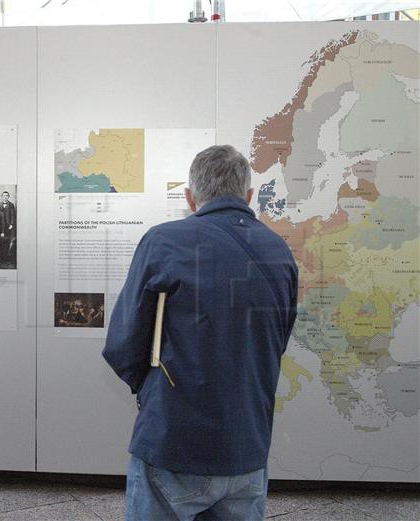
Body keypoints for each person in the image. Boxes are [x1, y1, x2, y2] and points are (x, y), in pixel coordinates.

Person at [102, 145, 298, 521]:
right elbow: (277, 341)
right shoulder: (279, 251)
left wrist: (153, 389)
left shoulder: (163, 242)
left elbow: (123, 343)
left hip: (174, 439)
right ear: (249, 195)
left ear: (191, 197)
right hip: (247, 445)